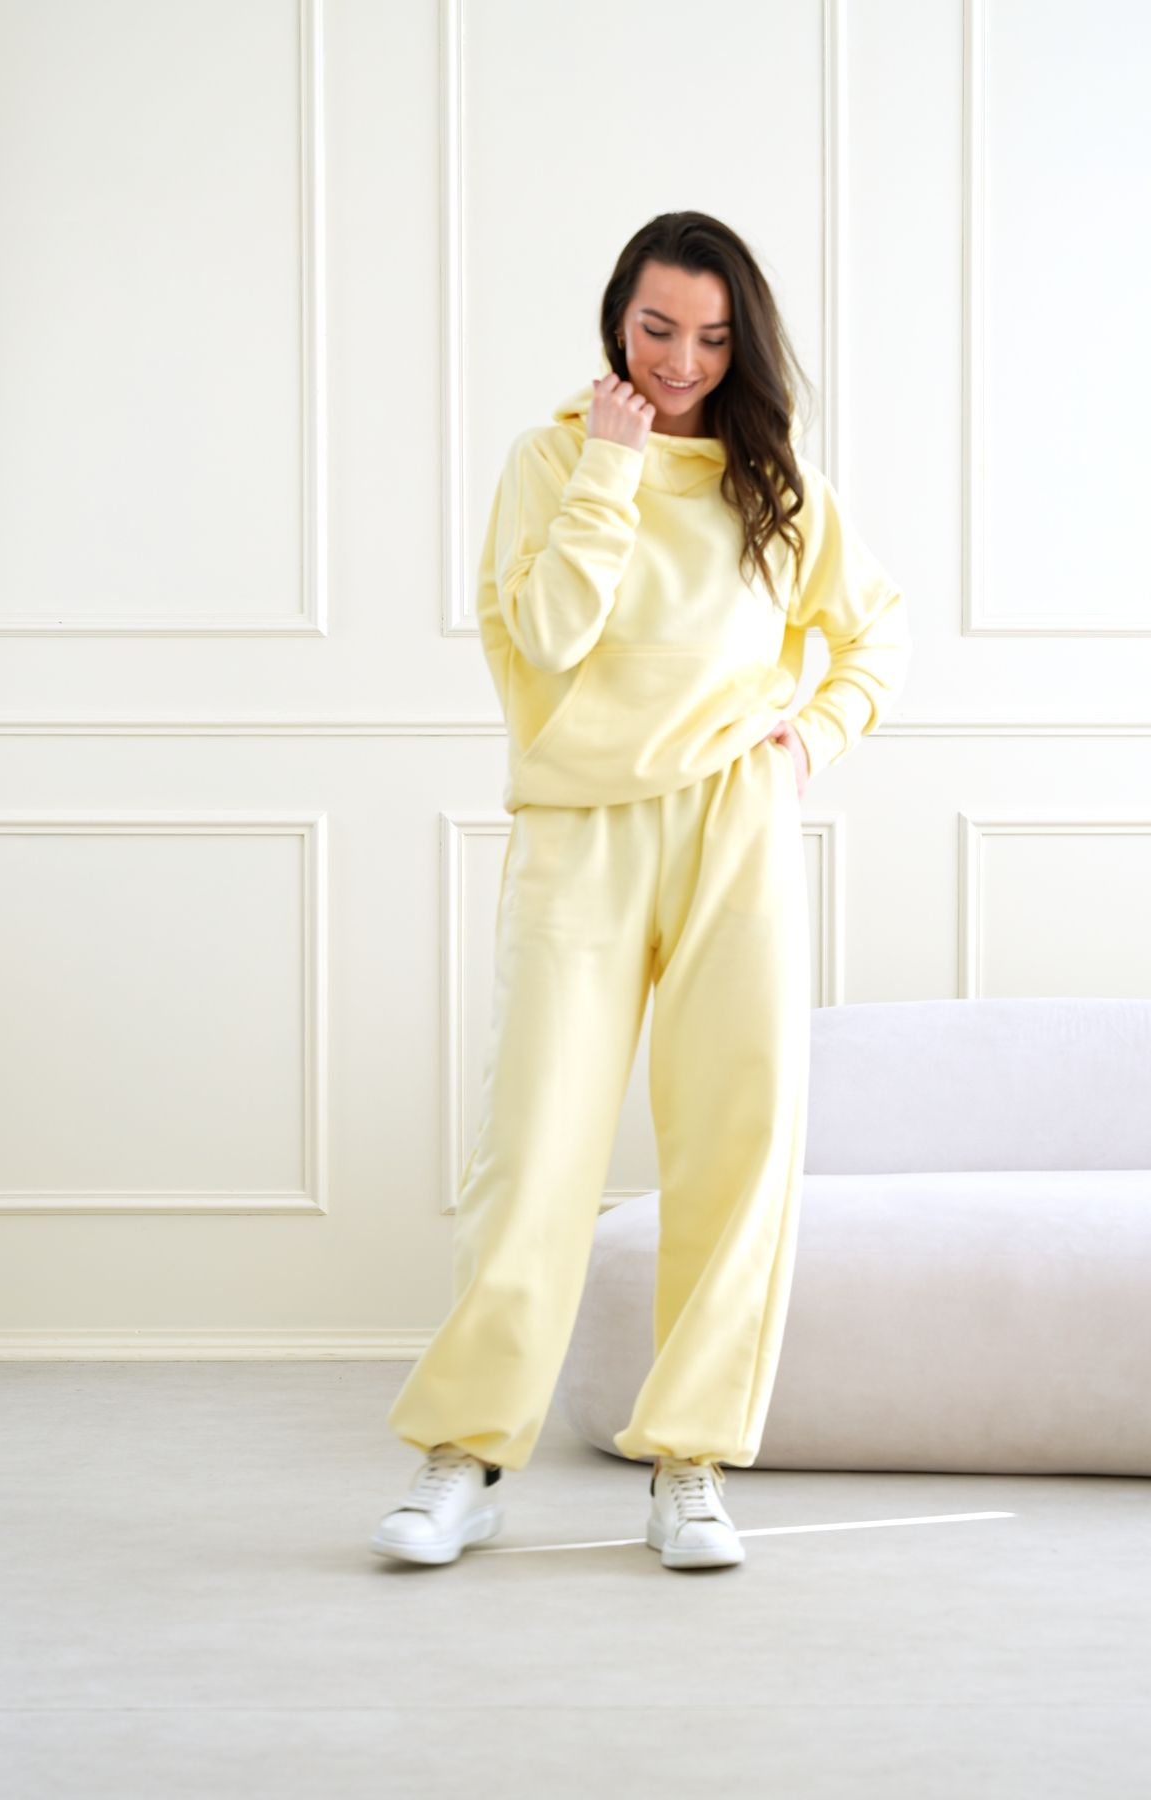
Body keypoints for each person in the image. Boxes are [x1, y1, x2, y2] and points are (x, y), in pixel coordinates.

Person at [371, 209, 911, 1572]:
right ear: (619, 316)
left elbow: (876, 633)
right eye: (659, 327)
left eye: (714, 337)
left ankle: (692, 1463)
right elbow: (550, 636)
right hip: (579, 831)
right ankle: (466, 1456)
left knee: (737, 1143)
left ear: (745, 343)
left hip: (734, 821)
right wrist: (612, 469)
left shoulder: (774, 480)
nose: (681, 360)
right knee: (534, 1146)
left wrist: (810, 740)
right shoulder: (551, 458)